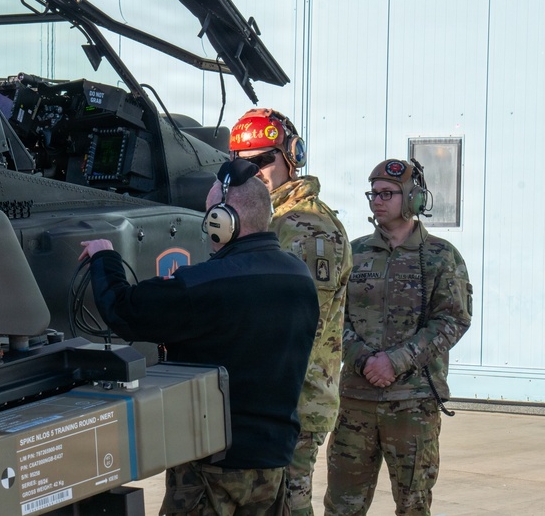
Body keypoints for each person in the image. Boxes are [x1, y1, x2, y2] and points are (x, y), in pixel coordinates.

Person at [79, 158, 319, 515]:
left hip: (212, 466)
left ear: (225, 221)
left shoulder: (207, 283)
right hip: (274, 463)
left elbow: (125, 311)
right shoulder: (299, 277)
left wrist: (105, 259)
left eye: (210, 216)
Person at [324, 159, 473, 516]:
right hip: (355, 401)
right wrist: (362, 359)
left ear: (413, 199)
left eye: (387, 193)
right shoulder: (353, 252)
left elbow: (453, 319)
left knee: (413, 505)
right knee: (342, 505)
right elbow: (330, 317)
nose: (377, 200)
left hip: (413, 406)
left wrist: (396, 361)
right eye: (373, 193)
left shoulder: (441, 256)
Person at [230, 108, 351, 516]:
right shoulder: (268, 219)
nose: (253, 171)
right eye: (242, 163)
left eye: (263, 160)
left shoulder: (306, 227)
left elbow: (300, 325)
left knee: (289, 505)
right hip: (273, 398)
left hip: (295, 400)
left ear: (291, 156)